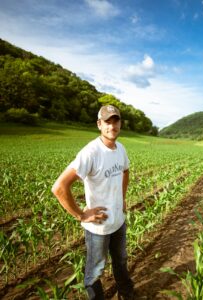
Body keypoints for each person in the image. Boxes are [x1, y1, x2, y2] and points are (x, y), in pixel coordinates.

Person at [52, 105, 134, 300]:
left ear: (120, 124)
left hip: (118, 221)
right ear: (99, 124)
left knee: (121, 261)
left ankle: (127, 294)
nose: (112, 125)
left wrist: (122, 198)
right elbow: (59, 187)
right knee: (95, 271)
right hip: (98, 228)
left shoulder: (120, 149)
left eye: (116, 121)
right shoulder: (91, 152)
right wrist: (81, 214)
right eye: (107, 121)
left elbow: (125, 171)